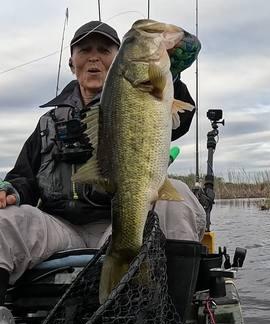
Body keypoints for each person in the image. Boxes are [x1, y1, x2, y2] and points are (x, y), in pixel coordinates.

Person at [0, 20, 206, 305]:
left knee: (178, 198)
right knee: (4, 221)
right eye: (84, 50)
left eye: (105, 49)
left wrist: (175, 66)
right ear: (72, 63)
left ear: (117, 59)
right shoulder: (47, 122)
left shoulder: (147, 93)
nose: (94, 57)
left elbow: (176, 118)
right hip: (59, 228)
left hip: (115, 224)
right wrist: (10, 189)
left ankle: (171, 319)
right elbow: (23, 177)